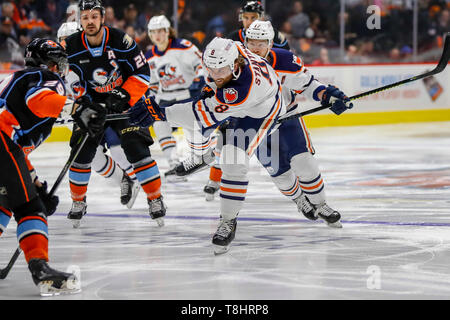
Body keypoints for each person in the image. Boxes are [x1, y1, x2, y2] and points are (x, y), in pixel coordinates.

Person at [129, 36, 353, 254]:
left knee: (269, 163)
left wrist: (158, 112)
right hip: (245, 108)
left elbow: (198, 115)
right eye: (212, 69)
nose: (215, 75)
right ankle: (218, 194)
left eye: (220, 70)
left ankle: (312, 204)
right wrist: (329, 95)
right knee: (234, 159)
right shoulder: (232, 52)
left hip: (261, 114)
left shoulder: (242, 88)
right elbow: (210, 97)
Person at [0, 38, 105, 296]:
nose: (61, 68)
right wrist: (76, 107)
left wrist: (34, 182)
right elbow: (38, 100)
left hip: (4, 144)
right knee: (29, 207)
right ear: (53, 63)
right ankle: (41, 270)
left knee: (5, 201)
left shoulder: (18, 78)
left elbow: (16, 151)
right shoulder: (43, 76)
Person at [64, 0, 166, 228]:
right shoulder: (70, 46)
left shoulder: (121, 40)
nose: (90, 21)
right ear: (80, 20)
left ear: (102, 18)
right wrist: (85, 103)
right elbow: (69, 78)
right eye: (85, 17)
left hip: (125, 100)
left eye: (94, 16)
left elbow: (142, 72)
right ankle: (78, 202)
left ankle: (155, 198)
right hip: (92, 106)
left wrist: (123, 95)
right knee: (80, 153)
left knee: (135, 148)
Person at [245, 20, 350, 227]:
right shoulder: (237, 64)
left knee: (304, 163)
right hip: (255, 128)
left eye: (261, 43)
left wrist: (328, 96)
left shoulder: (284, 61)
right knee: (280, 173)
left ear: (270, 43)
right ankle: (300, 199)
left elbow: (309, 85)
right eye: (251, 42)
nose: (255, 48)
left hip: (287, 120)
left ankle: (321, 205)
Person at [57, 21, 140, 209]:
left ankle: (140, 180)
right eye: (62, 41)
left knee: (118, 149)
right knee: (91, 159)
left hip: (106, 111)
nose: (66, 45)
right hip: (85, 117)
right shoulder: (57, 69)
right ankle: (124, 181)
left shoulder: (92, 59)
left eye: (69, 40)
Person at [145, 15, 206, 180]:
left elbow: (201, 64)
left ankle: (198, 158)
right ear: (150, 34)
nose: (158, 35)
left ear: (168, 31)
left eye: (161, 31)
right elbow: (152, 82)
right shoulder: (149, 56)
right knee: (159, 125)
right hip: (165, 98)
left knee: (193, 130)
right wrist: (149, 94)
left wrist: (199, 80)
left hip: (186, 96)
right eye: (153, 32)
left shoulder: (183, 47)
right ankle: (173, 163)